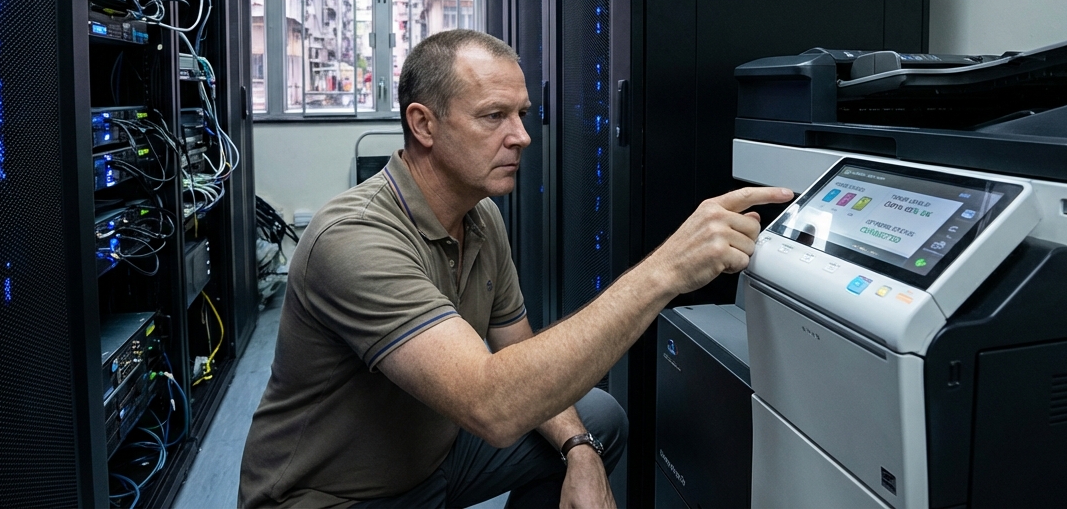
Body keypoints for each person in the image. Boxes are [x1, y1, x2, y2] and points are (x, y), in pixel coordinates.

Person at [238, 30, 791, 508]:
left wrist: (579, 451)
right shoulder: (354, 238)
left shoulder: (481, 218)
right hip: (333, 496)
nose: (522, 136)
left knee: (596, 420)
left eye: (521, 114)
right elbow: (493, 405)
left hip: (432, 463)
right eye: (493, 116)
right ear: (423, 124)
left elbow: (517, 351)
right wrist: (666, 270)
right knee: (514, 408)